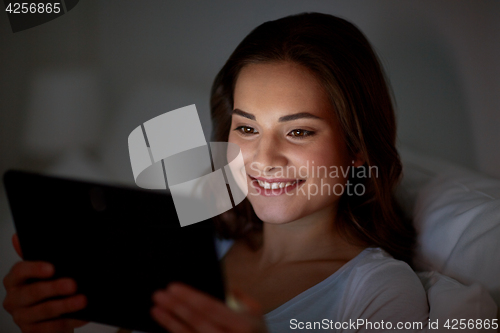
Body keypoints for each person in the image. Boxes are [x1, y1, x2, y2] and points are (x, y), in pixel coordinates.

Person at [3, 13, 430, 333]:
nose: (264, 158)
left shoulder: (380, 292)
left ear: (357, 150)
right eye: (246, 128)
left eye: (298, 131)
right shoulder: (193, 240)